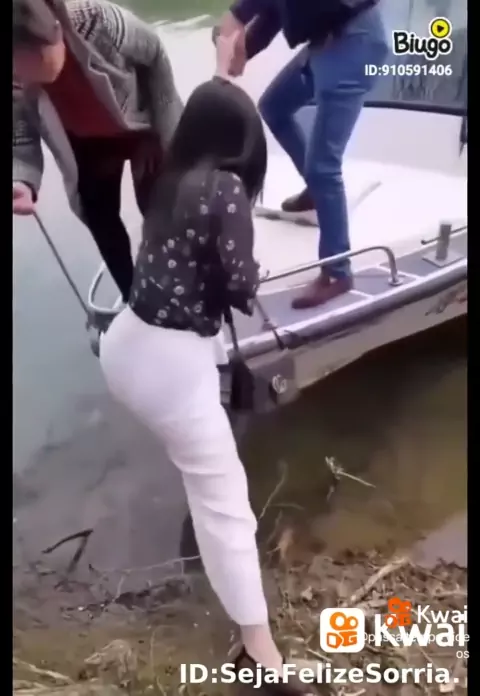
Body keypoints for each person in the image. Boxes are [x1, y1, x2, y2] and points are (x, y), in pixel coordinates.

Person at [99, 75, 313, 695]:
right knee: (226, 504)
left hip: (125, 343)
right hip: (170, 368)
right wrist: (250, 268)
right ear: (240, 144)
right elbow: (243, 286)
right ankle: (260, 654)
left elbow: (185, 271)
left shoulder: (166, 179)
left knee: (203, 477)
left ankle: (220, 595)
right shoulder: (226, 189)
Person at [214, 0, 389, 308]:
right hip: (325, 43)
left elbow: (244, 11)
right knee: (274, 107)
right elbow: (270, 18)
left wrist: (233, 21)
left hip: (353, 42)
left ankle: (337, 272)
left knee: (324, 166)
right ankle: (314, 192)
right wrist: (236, 54)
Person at [13, 0, 183, 304]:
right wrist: (23, 181)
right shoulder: (15, 75)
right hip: (86, 143)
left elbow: (154, 51)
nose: (27, 76)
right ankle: (136, 302)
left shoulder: (96, 19)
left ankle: (178, 288)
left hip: (139, 127)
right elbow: (20, 129)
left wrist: (168, 136)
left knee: (161, 209)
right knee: (100, 220)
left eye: (36, 59)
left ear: (56, 30)